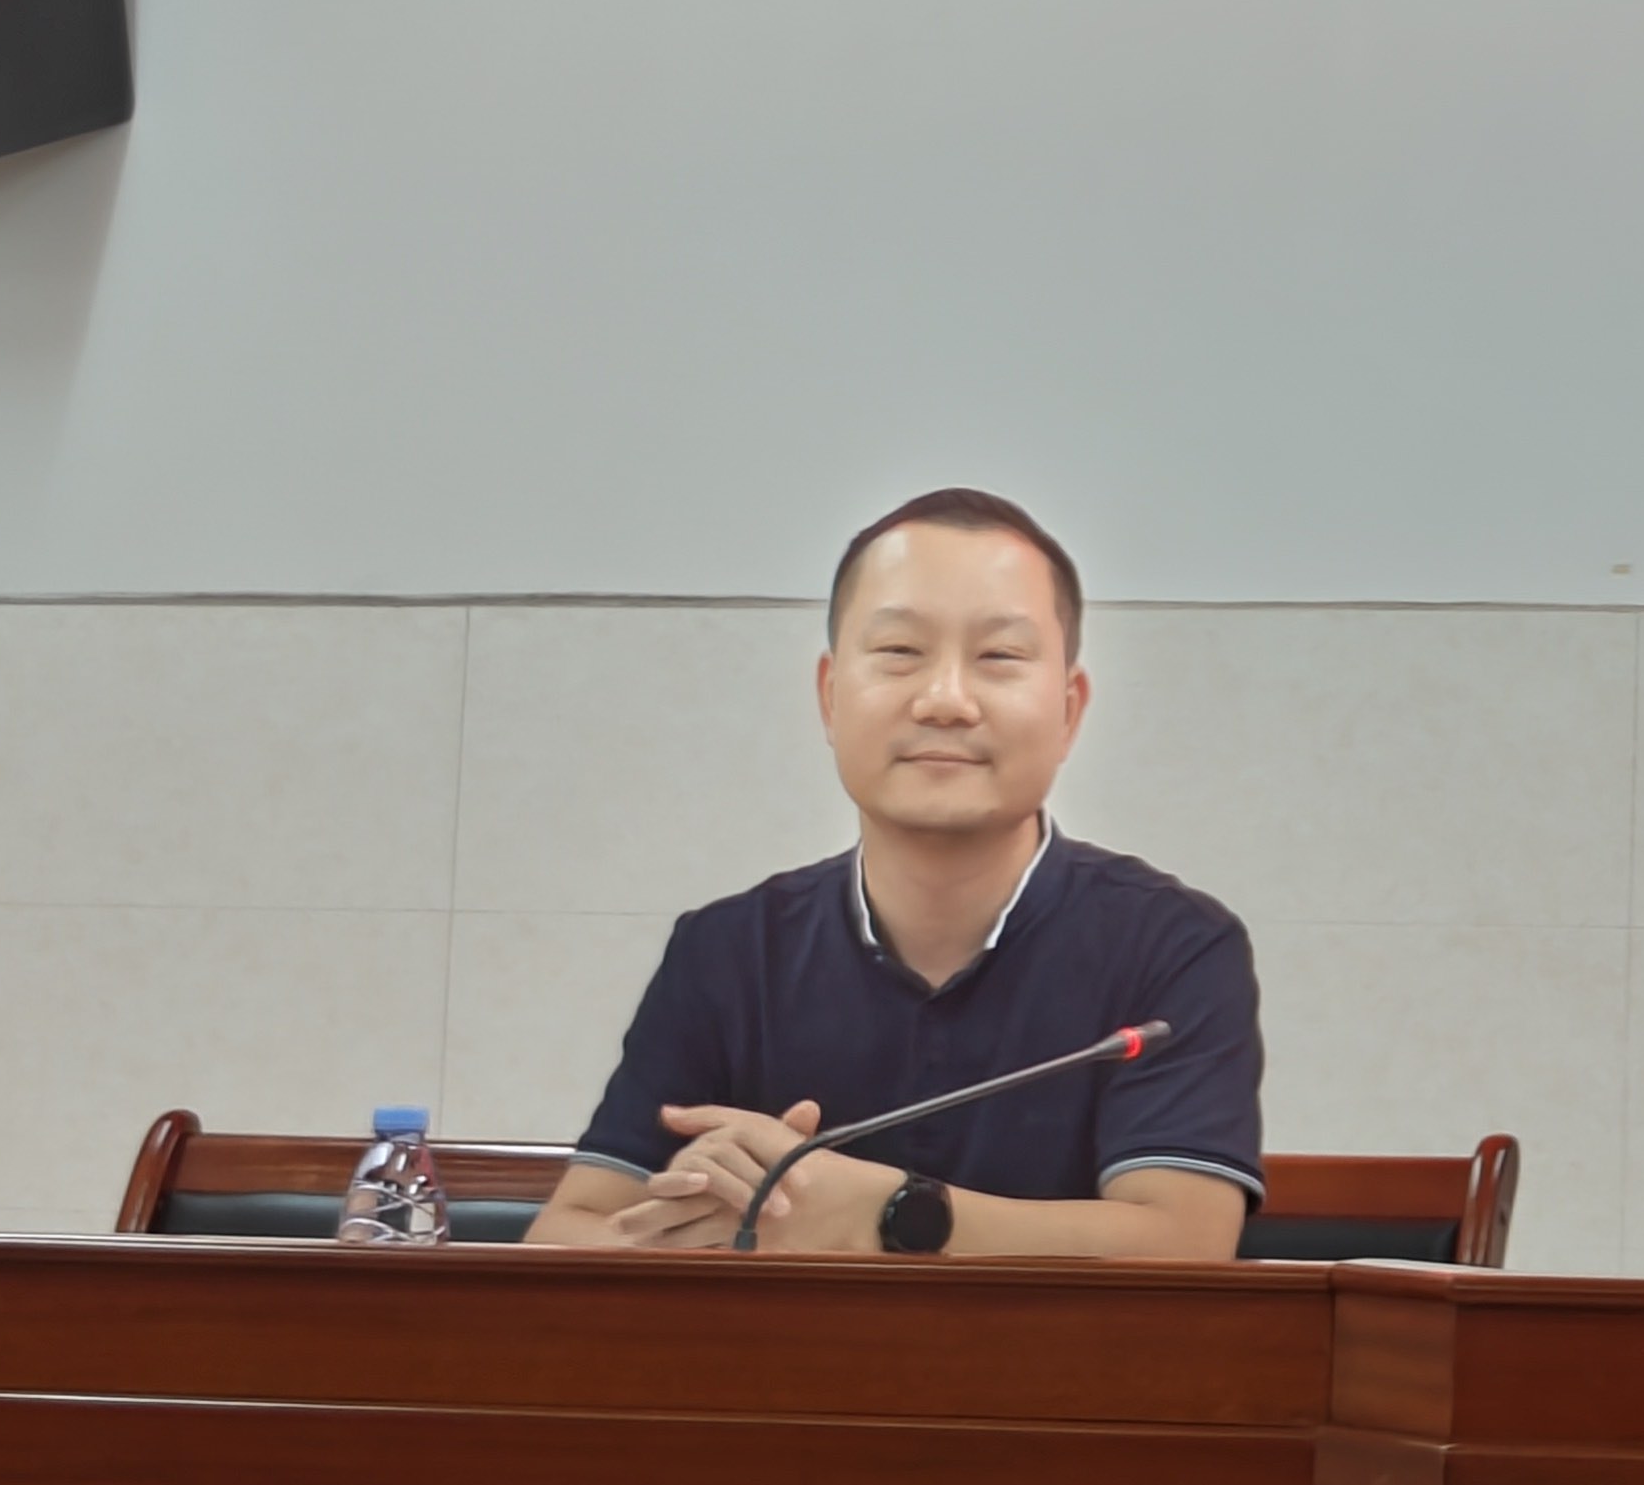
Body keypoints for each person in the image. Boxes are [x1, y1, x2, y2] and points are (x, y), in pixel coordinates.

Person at [526, 488, 1264, 1259]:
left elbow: (1184, 1244)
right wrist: (712, 1223)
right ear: (830, 697)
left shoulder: (1173, 946)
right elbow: (562, 1241)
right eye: (900, 652)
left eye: (999, 658)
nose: (945, 700)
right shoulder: (725, 951)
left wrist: (884, 1211)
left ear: (1069, 711)